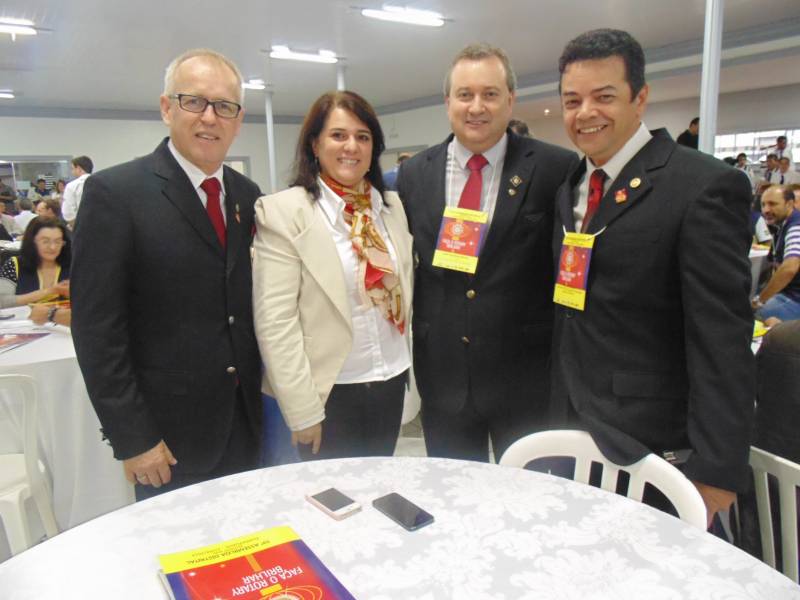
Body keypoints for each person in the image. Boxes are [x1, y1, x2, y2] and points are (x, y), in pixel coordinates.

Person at [551, 29, 754, 528]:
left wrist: (717, 469)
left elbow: (722, 339)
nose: (585, 113)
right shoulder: (572, 186)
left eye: (604, 97)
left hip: (656, 446)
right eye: (572, 101)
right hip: (573, 428)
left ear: (640, 98)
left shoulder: (702, 185)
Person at [70, 48, 263, 500]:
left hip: (244, 421)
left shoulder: (246, 194)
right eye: (194, 101)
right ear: (166, 108)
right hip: (168, 439)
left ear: (238, 120)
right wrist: (134, 437)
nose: (209, 117)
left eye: (224, 106)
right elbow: (98, 330)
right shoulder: (116, 194)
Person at [396, 43, 577, 462]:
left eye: (490, 94)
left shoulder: (556, 168)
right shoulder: (414, 174)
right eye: (465, 95)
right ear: (448, 102)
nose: (477, 107)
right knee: (453, 489)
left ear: (510, 100)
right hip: (444, 375)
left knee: (528, 491)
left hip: (525, 377)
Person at [253, 91, 413, 460]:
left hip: (390, 380)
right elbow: (276, 322)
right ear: (315, 144)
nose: (351, 147)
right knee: (331, 494)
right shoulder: (284, 212)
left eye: (362, 136)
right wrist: (302, 411)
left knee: (380, 482)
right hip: (328, 395)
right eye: (338, 135)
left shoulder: (390, 207)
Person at [0, 217, 70, 313]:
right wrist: (50, 291)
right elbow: (2, 302)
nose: (52, 247)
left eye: (58, 241)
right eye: (45, 241)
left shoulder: (72, 266)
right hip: (23, 321)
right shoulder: (15, 264)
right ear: (32, 242)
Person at [753, 185, 800, 321]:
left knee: (748, 316)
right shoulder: (781, 226)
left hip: (794, 298)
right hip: (789, 293)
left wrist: (761, 300)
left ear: (789, 204)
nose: (766, 210)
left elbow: (789, 268)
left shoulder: (796, 227)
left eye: (772, 204)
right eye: (763, 205)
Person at [61, 155, 93, 223]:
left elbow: (68, 213)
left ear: (78, 168)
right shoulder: (101, 183)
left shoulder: (71, 186)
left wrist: (75, 226)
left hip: (81, 223)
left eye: (72, 168)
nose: (72, 171)